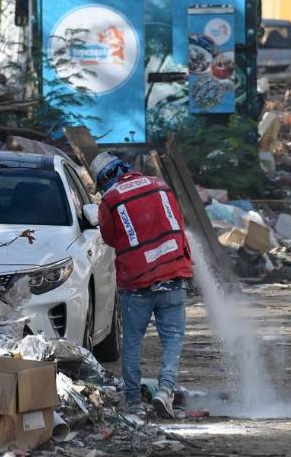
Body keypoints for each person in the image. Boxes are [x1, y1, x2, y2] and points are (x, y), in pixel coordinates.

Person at [91, 151, 193, 418]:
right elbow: (178, 224)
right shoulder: (160, 186)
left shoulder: (111, 199)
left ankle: (134, 402)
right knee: (172, 338)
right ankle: (165, 390)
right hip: (173, 274)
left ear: (104, 179)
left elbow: (110, 237)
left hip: (136, 281)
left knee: (133, 342)